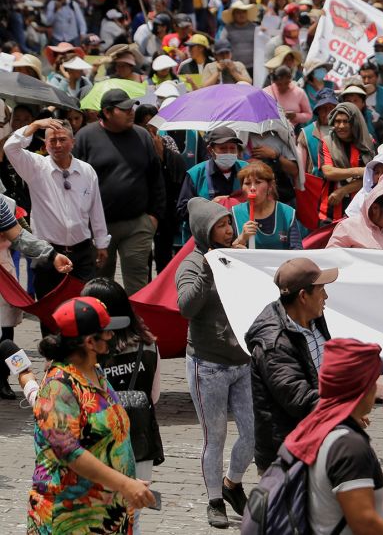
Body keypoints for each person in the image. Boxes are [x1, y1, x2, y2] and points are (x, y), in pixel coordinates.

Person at [28, 296, 156, 534]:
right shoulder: (59, 387)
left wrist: (121, 482)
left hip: (105, 512)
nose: (113, 337)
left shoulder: (95, 372)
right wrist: (124, 483)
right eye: (107, 333)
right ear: (90, 342)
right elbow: (69, 452)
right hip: (70, 518)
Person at [326, 171, 383, 467]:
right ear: (375, 205)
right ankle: (346, 435)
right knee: (352, 377)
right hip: (355, 316)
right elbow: (329, 267)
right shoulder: (348, 229)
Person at [175, 198, 253, 528]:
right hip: (207, 365)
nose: (228, 230)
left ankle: (232, 484)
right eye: (221, 226)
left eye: (228, 224)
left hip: (242, 363)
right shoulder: (191, 264)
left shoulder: (234, 257)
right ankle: (214, 501)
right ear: (204, 231)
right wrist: (209, 268)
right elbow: (186, 307)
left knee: (253, 434)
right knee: (215, 437)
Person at [281, 339, 383, 535]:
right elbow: (364, 523)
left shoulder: (312, 426)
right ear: (362, 387)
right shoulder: (349, 446)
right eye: (374, 379)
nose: (377, 386)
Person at [81, 278, 163, 532]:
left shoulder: (86, 352)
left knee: (95, 517)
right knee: (131, 516)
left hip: (96, 445)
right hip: (139, 439)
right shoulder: (148, 343)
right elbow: (154, 395)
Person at [244, 257, 336, 472]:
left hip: (316, 440)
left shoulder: (314, 318)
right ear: (303, 296)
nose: (326, 296)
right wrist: (346, 411)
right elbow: (299, 399)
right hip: (287, 457)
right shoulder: (273, 344)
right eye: (321, 290)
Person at [73, 89, 165, 295]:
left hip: (138, 224)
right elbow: (74, 181)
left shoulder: (142, 135)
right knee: (100, 284)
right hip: (99, 227)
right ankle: (104, 325)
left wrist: (153, 217)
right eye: (124, 109)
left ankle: (139, 326)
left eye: (132, 107)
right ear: (106, 112)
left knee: (138, 284)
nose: (131, 112)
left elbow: (156, 178)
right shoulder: (85, 137)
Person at [3, 117, 108, 298]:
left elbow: (95, 209)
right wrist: (35, 125)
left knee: (84, 307)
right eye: (52, 140)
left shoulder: (87, 170)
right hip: (47, 253)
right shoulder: (36, 166)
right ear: (45, 143)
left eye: (62, 139)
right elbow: (10, 147)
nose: (57, 144)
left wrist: (101, 243)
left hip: (82, 252)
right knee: (50, 310)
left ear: (73, 142)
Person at [176, 126, 247, 236]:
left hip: (240, 235)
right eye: (223, 149)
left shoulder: (247, 171)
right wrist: (208, 207)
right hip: (205, 239)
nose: (228, 153)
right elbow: (182, 210)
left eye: (232, 148)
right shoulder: (195, 174)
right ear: (211, 150)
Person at [231, 161, 303, 250]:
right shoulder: (235, 213)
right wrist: (241, 238)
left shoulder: (287, 212)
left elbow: (297, 250)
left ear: (270, 186)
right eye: (247, 183)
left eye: (258, 182)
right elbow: (226, 252)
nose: (252, 188)